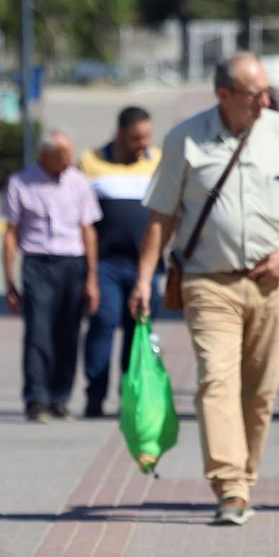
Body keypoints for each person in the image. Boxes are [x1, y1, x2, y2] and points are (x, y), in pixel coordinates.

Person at [130, 53, 279, 526]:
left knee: (260, 392)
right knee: (215, 382)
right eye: (252, 93)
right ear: (223, 95)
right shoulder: (185, 139)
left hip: (272, 281)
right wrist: (145, 277)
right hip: (207, 282)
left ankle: (247, 472)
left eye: (265, 91)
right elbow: (161, 215)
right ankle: (230, 486)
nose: (264, 100)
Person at [3, 131, 101, 423]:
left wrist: (92, 278)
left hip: (73, 263)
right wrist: (9, 281)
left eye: (71, 153)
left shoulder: (79, 183)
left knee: (68, 334)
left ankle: (60, 397)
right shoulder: (20, 183)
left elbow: (89, 231)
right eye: (63, 154)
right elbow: (11, 233)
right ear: (46, 155)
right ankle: (36, 398)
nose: (69, 160)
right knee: (38, 333)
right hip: (38, 263)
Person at [78, 106, 161, 418]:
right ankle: (95, 395)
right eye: (137, 137)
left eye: (147, 137)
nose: (144, 144)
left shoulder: (159, 162)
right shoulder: (91, 162)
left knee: (138, 330)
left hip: (146, 267)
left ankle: (132, 397)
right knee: (102, 323)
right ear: (120, 135)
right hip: (106, 265)